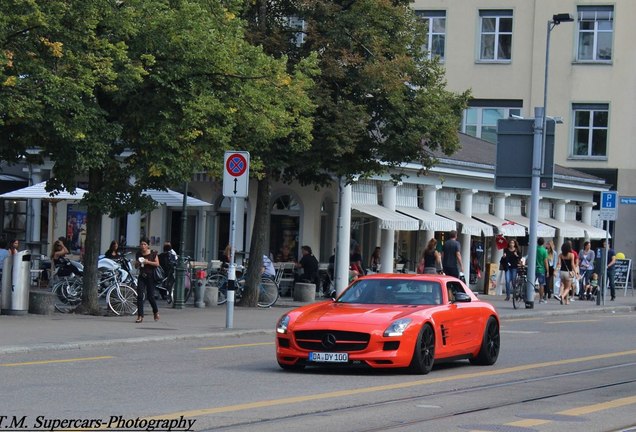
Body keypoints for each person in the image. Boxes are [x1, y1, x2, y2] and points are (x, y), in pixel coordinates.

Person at [134, 238, 160, 323]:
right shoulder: (138, 254)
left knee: (150, 296)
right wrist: (137, 263)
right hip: (142, 276)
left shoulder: (153, 253)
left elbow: (157, 264)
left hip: (151, 276)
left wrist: (147, 262)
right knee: (140, 296)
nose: (143, 246)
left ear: (148, 245)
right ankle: (140, 315)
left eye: (145, 244)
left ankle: (155, 311)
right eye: (141, 244)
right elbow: (136, 266)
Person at [536, 238, 549, 303]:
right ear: (543, 243)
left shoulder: (534, 248)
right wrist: (547, 270)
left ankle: (527, 296)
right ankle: (541, 299)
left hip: (533, 269)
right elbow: (545, 262)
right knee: (541, 284)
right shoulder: (544, 251)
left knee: (530, 283)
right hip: (541, 269)